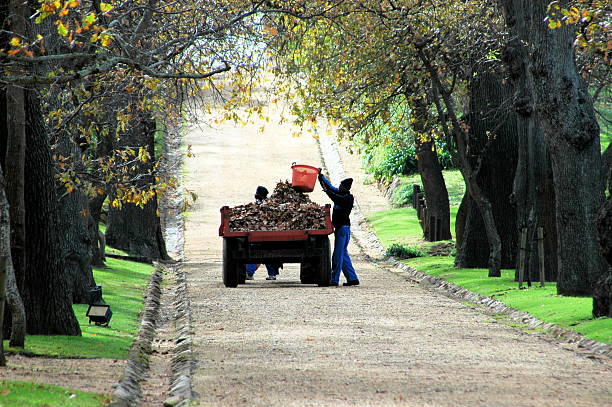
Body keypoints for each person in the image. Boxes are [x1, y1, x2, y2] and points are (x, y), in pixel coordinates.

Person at [318, 173, 360, 286]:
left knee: (337, 255)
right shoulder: (341, 193)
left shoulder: (347, 198)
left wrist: (327, 191)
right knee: (343, 255)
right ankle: (352, 278)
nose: (339, 187)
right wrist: (320, 176)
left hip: (343, 229)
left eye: (341, 186)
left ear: (345, 187)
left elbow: (334, 196)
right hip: (341, 229)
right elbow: (330, 187)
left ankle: (334, 279)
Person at [246, 186, 282, 281]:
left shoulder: (258, 205)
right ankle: (272, 274)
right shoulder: (270, 205)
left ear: (260, 194)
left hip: (258, 234)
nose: (256, 194)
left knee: (256, 254)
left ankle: (249, 273)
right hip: (271, 234)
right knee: (269, 254)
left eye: (257, 193)